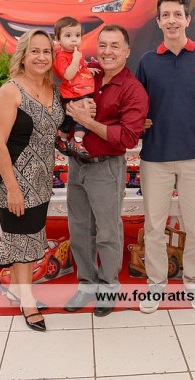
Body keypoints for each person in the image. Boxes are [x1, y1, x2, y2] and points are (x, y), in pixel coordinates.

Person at [136, 0, 195, 314]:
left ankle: (194, 283)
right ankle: (156, 284)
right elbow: (136, 104)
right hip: (155, 156)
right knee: (154, 226)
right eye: (165, 15)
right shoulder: (147, 61)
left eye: (177, 14)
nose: (172, 20)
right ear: (158, 21)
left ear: (188, 18)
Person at [63, 24, 149, 317]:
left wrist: (87, 123)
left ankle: (109, 288)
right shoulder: (88, 75)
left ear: (127, 51)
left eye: (115, 46)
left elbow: (128, 138)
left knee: (107, 233)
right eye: (102, 45)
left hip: (106, 168)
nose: (107, 51)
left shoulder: (133, 90)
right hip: (77, 164)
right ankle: (86, 285)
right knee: (79, 230)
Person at [0, 29, 64, 332]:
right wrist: (12, 189)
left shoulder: (52, 88)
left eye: (46, 51)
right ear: (23, 56)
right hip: (14, 177)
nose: (41, 57)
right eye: (35, 51)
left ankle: (18, 291)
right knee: (21, 240)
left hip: (42, 178)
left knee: (31, 237)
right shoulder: (11, 90)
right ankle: (28, 301)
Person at [53, 16, 97, 158]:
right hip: (74, 92)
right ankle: (77, 140)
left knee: (70, 118)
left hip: (80, 90)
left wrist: (87, 69)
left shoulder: (76, 54)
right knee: (86, 113)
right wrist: (76, 60)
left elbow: (79, 69)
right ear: (58, 39)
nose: (74, 39)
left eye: (77, 35)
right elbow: (68, 75)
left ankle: (63, 138)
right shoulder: (61, 56)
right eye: (68, 36)